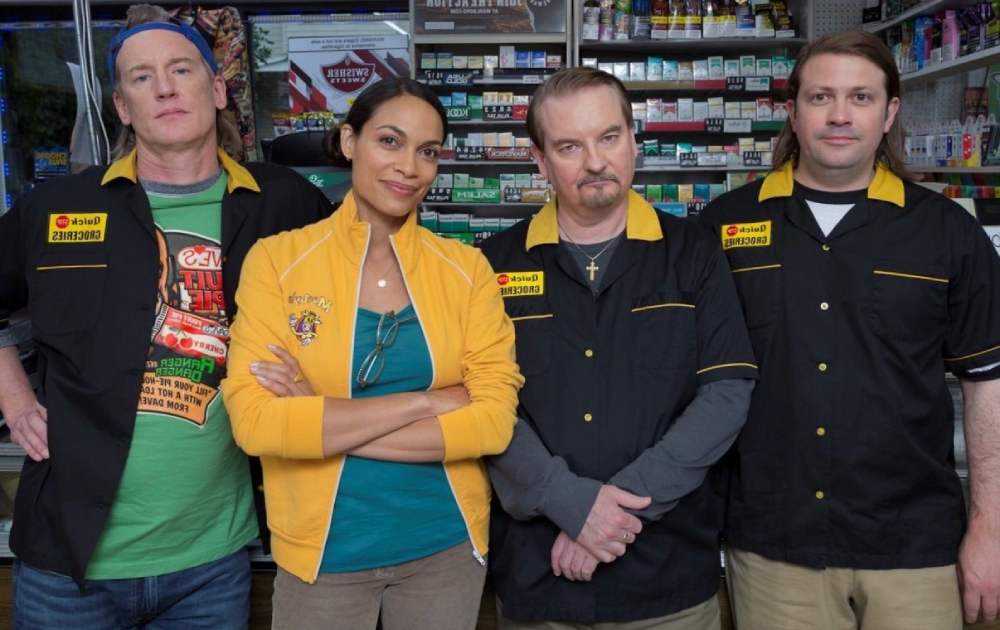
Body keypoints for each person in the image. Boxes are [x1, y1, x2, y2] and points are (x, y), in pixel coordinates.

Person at [0, 5, 332, 627]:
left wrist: (315, 381)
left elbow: (359, 295)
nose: (164, 88)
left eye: (181, 69)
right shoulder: (58, 207)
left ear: (217, 89)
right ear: (122, 107)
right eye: (141, 77)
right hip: (68, 563)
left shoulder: (283, 202)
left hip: (212, 564)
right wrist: (15, 400)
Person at [699, 30, 1000, 630]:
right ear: (793, 111)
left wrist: (989, 528)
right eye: (821, 97)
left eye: (861, 97)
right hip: (773, 546)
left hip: (915, 547)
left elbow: (987, 383)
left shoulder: (948, 231)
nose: (840, 116)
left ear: (889, 113)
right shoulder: (723, 227)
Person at [221, 76, 523, 630]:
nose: (409, 167)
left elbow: (492, 425)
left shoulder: (466, 270)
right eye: (389, 141)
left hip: (444, 548)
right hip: (324, 556)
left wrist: (319, 416)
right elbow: (257, 425)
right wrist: (426, 402)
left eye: (427, 151)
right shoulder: (277, 262)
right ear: (348, 141)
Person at [480, 66, 757, 629]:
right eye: (569, 146)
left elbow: (727, 393)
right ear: (539, 161)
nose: (595, 161)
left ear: (634, 140)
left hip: (667, 577)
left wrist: (612, 510)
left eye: (608, 137)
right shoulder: (492, 264)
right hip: (539, 574)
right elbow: (482, 404)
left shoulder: (695, 254)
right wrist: (569, 503)